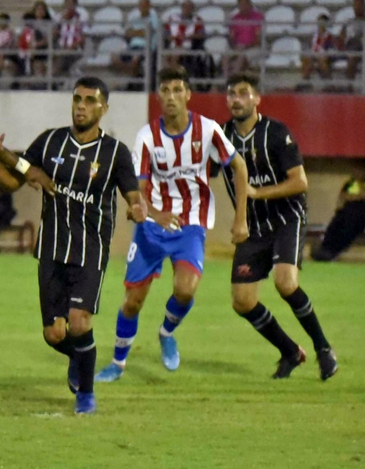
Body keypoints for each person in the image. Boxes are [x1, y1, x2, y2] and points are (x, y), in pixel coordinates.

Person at [0, 77, 147, 414]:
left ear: (104, 108)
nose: (81, 105)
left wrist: (137, 207)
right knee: (55, 335)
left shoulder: (115, 152)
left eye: (90, 100)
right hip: (52, 248)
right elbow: (12, 180)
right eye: (77, 98)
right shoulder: (51, 142)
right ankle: (80, 358)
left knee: (80, 323)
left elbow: (133, 194)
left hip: (90, 250)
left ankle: (86, 394)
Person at [97, 66, 249, 383]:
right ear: (158, 96)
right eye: (165, 90)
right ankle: (117, 362)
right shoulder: (146, 137)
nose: (171, 96)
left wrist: (240, 219)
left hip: (190, 224)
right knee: (133, 301)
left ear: (188, 95)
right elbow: (137, 191)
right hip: (152, 228)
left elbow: (239, 166)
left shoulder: (207, 131)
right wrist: (151, 213)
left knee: (185, 288)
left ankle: (166, 333)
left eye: (177, 90)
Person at [224, 73, 338, 380]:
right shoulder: (220, 138)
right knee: (242, 301)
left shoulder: (275, 132)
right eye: (231, 94)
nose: (236, 99)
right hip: (253, 226)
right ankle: (290, 352)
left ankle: (324, 348)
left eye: (243, 93)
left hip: (287, 217)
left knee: (285, 282)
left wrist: (257, 192)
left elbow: (300, 182)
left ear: (256, 98)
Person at [313, 165, 365, 261]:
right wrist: (357, 197)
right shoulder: (351, 183)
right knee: (335, 224)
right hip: (347, 211)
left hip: (360, 214)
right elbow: (343, 196)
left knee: (350, 225)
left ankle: (334, 251)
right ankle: (325, 249)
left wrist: (355, 196)